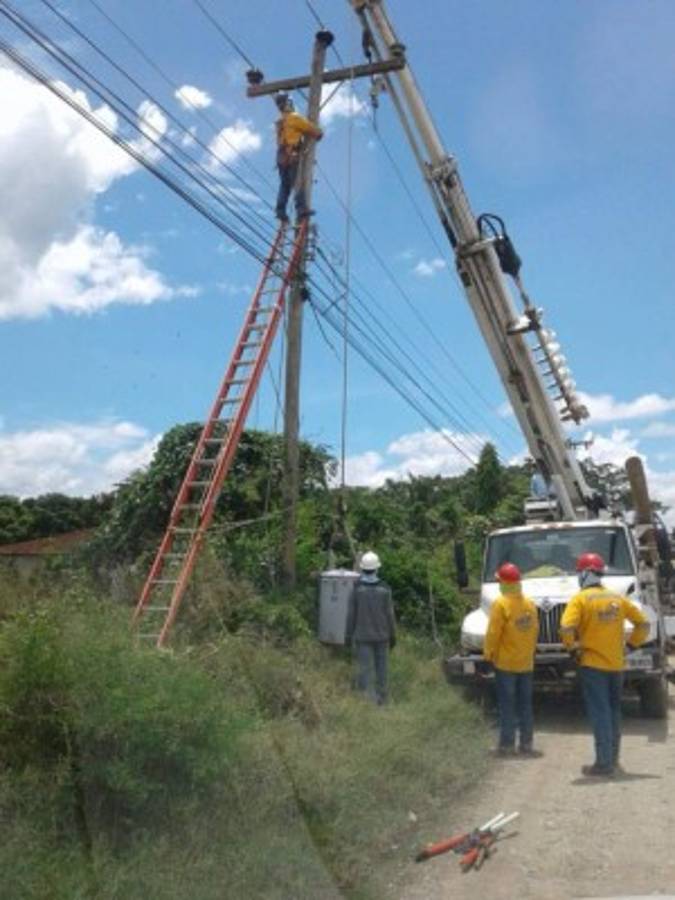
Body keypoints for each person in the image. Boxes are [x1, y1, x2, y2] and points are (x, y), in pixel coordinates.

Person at [560, 552, 650, 776]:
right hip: (616, 665)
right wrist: (630, 647)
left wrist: (572, 648)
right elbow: (643, 624)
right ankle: (613, 758)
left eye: (580, 572)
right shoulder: (616, 598)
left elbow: (566, 628)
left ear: (585, 574)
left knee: (600, 714)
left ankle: (603, 764)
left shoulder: (580, 599)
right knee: (613, 712)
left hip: (593, 666)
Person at [483, 562, 540, 757]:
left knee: (507, 705)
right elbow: (534, 631)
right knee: (526, 705)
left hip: (506, 664)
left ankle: (507, 745)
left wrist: (488, 653)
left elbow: (493, 632)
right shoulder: (529, 604)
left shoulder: (501, 604)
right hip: (526, 663)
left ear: (505, 583)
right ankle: (527, 744)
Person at [344, 550, 396, 705]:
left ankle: (369, 703)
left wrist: (347, 636)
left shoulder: (356, 589)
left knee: (365, 672)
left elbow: (350, 615)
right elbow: (390, 616)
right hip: (382, 636)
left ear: (362, 569)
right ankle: (383, 701)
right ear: (377, 568)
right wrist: (393, 636)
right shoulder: (385, 589)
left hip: (363, 637)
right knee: (382, 671)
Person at [273, 93, 323, 222]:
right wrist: (319, 133)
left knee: (284, 185)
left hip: (281, 157)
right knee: (297, 183)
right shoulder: (293, 118)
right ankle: (301, 209)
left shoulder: (280, 122)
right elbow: (310, 128)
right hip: (292, 155)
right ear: (287, 104)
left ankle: (280, 210)